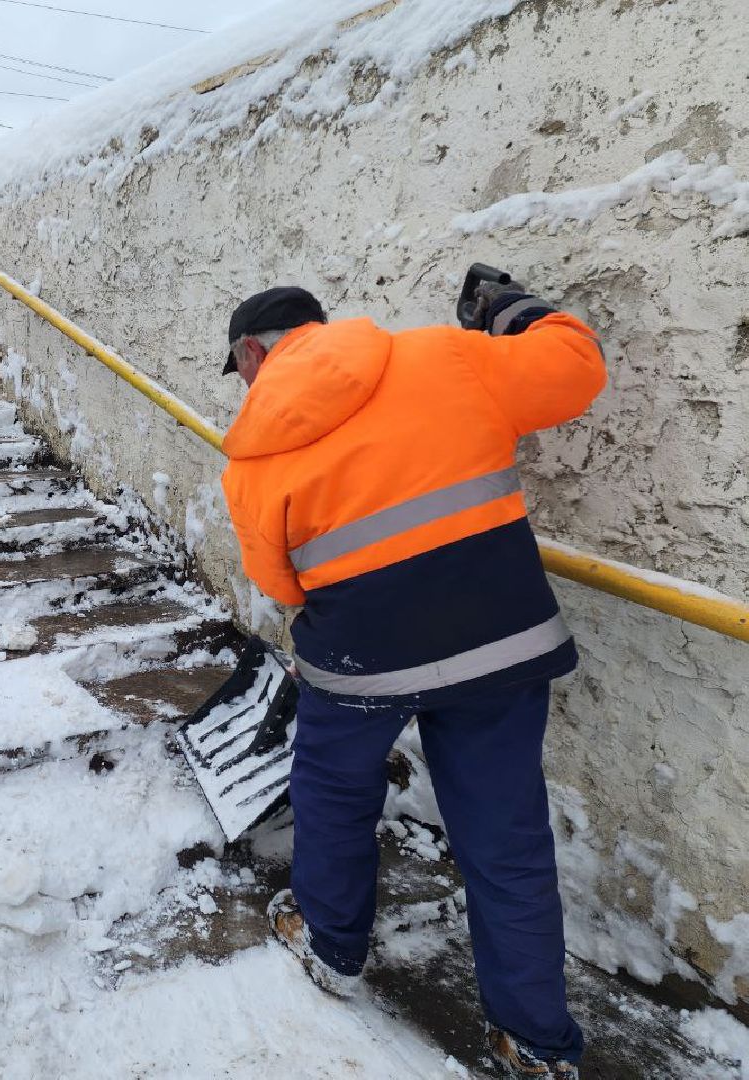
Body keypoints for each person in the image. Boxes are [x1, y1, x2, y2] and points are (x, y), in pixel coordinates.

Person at [219, 284, 606, 1079]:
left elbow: (286, 588)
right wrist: (509, 308)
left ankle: (332, 945)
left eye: (238, 369)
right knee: (506, 834)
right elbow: (576, 368)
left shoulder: (252, 458)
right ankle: (532, 1041)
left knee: (331, 789)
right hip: (496, 640)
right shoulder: (444, 355)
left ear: (255, 353)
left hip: (361, 655)